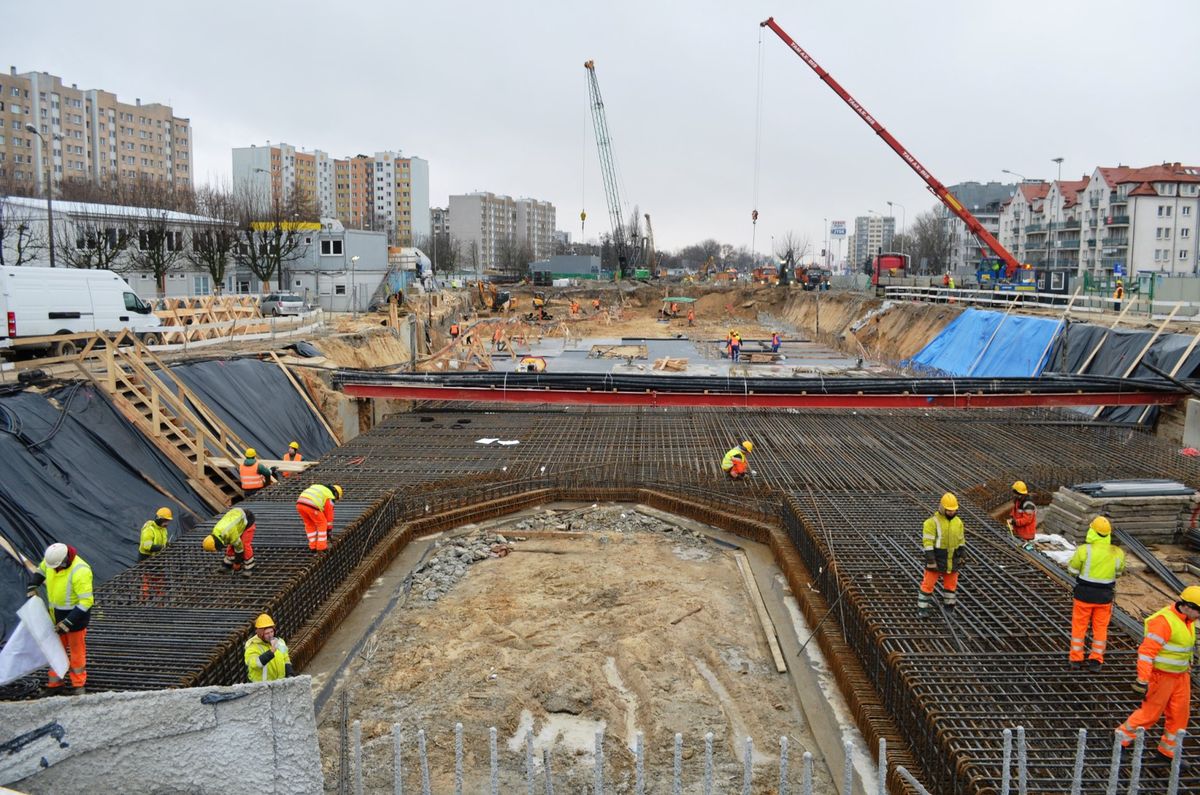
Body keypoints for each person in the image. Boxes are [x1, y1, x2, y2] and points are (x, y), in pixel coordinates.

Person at [1117, 585, 1200, 762]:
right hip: (1160, 677)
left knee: (1180, 714)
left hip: (1180, 677)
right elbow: (1146, 653)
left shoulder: (1188, 621)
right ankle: (1120, 740)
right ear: (1187, 606)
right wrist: (1142, 680)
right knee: (1150, 714)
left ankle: (1167, 751)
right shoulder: (1164, 622)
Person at [27, 543, 94, 693]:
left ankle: (78, 684)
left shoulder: (80, 570)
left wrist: (69, 621)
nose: (54, 570)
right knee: (56, 650)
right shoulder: (53, 560)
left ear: (65, 561)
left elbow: (86, 602)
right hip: (56, 615)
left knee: (77, 652)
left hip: (75, 618)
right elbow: (42, 569)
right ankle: (55, 684)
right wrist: (32, 585)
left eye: (57, 567)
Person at [1067, 516, 1126, 671]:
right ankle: (1096, 660)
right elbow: (1119, 573)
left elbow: (1072, 570)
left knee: (1079, 627)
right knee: (1100, 628)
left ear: (1092, 531)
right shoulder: (1117, 552)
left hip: (1084, 595)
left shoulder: (1084, 550)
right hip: (1104, 597)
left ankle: (1076, 659)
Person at [918, 493, 966, 618]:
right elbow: (927, 543)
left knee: (951, 585)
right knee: (928, 584)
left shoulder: (958, 522)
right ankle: (922, 609)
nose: (951, 512)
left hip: (952, 559)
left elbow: (961, 540)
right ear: (942, 508)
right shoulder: (931, 522)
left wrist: (961, 555)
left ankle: (949, 607)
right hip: (937, 558)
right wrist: (931, 560)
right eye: (949, 510)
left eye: (954, 510)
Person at [203, 507, 256, 576]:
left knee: (244, 545)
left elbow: (239, 549)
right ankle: (228, 564)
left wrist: (237, 563)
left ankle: (250, 566)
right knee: (231, 544)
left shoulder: (230, 533)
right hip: (236, 518)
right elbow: (230, 541)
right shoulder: (216, 532)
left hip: (248, 519)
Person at [245, 614, 293, 683]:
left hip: (279, 684)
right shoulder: (252, 647)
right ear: (261, 634)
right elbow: (255, 664)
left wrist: (290, 673)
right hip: (261, 687)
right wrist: (271, 652)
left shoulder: (279, 641)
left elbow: (286, 658)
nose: (270, 635)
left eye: (272, 632)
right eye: (267, 633)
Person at [296, 483, 343, 551]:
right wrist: (329, 529)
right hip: (311, 505)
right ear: (336, 494)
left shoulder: (319, 488)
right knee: (322, 523)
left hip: (299, 504)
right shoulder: (329, 495)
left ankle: (313, 546)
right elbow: (329, 514)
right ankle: (321, 547)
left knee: (309, 524)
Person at [1007, 480, 1037, 550]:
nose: (1014, 494)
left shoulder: (1028, 504)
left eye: (1015, 493)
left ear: (1019, 493)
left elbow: (1027, 520)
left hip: (1026, 533)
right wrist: (1011, 516)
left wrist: (1014, 522)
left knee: (1025, 551)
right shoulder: (1018, 500)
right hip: (1019, 531)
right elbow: (1015, 511)